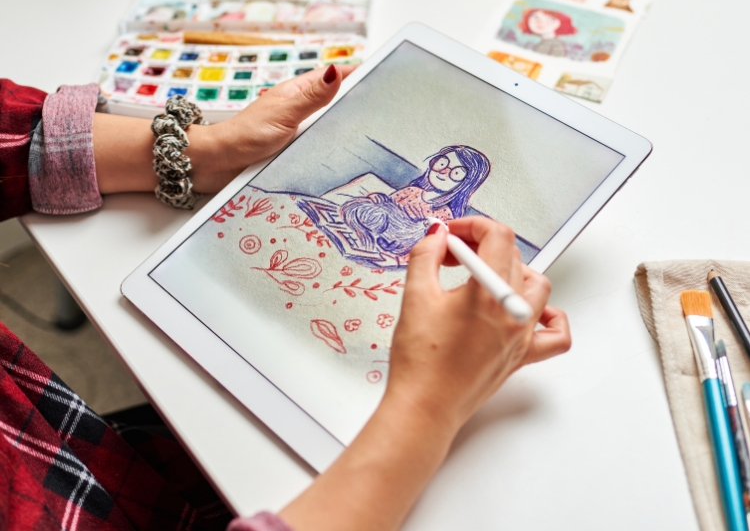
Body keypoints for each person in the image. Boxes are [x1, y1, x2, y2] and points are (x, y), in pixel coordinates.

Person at [0, 64, 571, 531]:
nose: (440, 171)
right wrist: (430, 406)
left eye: (452, 172)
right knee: (351, 213)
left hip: (94, 459)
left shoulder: (445, 207)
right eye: (440, 162)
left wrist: (209, 149)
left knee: (375, 227)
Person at [341, 145, 490, 261]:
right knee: (366, 208)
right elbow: (387, 207)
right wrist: (379, 199)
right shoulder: (413, 191)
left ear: (466, 184)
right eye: (442, 163)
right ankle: (366, 231)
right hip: (382, 224)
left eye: (456, 173)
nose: (442, 172)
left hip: (401, 240)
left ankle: (381, 242)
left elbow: (429, 242)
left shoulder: (445, 213)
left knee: (414, 234)